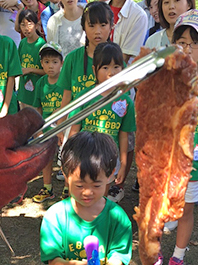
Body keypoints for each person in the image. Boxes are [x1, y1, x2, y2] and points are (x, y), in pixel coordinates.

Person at [143, 10, 198, 265]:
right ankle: (155, 253)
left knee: (185, 210)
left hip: (195, 163)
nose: (187, 49)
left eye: (195, 43)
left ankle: (177, 257)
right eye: (181, 42)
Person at [40, 131, 132, 265]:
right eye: (79, 185)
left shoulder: (117, 217)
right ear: (65, 175)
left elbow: (119, 258)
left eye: (96, 185)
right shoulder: (55, 216)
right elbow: (52, 260)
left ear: (110, 176)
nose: (87, 192)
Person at [57, 1, 114, 199]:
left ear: (111, 26)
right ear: (84, 27)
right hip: (75, 127)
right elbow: (67, 94)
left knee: (99, 177)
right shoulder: (73, 59)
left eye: (103, 25)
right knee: (74, 173)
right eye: (92, 25)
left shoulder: (115, 60)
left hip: (104, 130)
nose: (97, 31)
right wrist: (60, 124)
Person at [69, 42, 136, 201]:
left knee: (101, 199)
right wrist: (71, 159)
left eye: (116, 67)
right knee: (82, 196)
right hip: (84, 157)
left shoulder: (126, 101)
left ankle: (99, 222)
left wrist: (124, 164)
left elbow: (124, 135)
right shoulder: (84, 97)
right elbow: (74, 130)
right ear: (95, 70)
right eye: (105, 67)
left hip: (109, 159)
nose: (111, 72)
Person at [145, 0, 198, 74]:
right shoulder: (152, 41)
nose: (171, 6)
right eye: (166, 2)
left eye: (177, 0)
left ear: (189, 4)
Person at [32, 42, 64, 203]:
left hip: (63, 126)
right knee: (47, 158)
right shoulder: (40, 83)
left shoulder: (66, 82)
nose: (50, 66)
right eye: (46, 62)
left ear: (61, 63)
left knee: (65, 157)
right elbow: (37, 107)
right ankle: (47, 188)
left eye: (54, 62)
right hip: (46, 127)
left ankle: (67, 189)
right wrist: (38, 129)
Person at [17, 9, 45, 109]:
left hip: (36, 95)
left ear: (36, 25)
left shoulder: (41, 44)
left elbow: (46, 71)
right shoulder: (22, 43)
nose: (26, 28)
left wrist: (30, 70)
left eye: (29, 24)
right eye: (23, 25)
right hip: (23, 94)